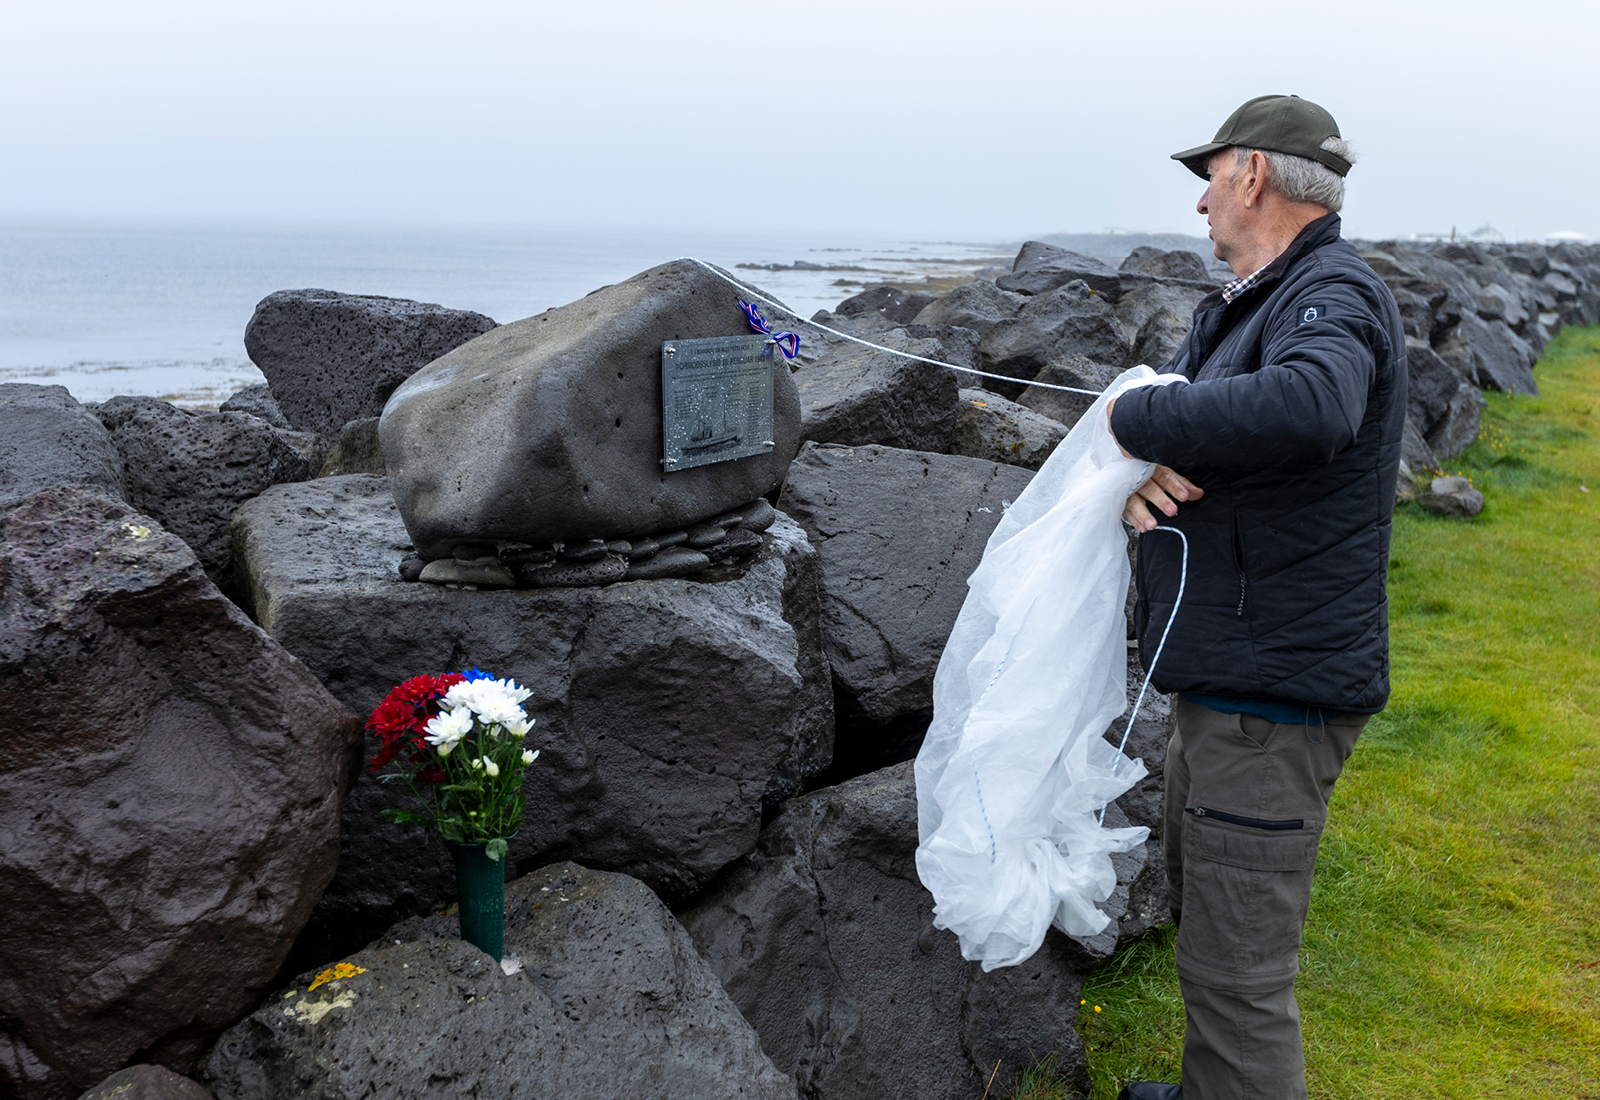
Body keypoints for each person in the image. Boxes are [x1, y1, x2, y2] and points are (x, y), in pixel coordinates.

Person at [1104, 95, 1406, 1100]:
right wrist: (1144, 466)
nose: (1199, 208)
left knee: (1238, 976)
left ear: (1249, 174)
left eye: (1208, 181)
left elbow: (1314, 404)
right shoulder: (1252, 302)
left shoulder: (1332, 290)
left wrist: (1131, 413)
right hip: (1234, 676)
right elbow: (1208, 442)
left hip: (1271, 698)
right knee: (1212, 929)